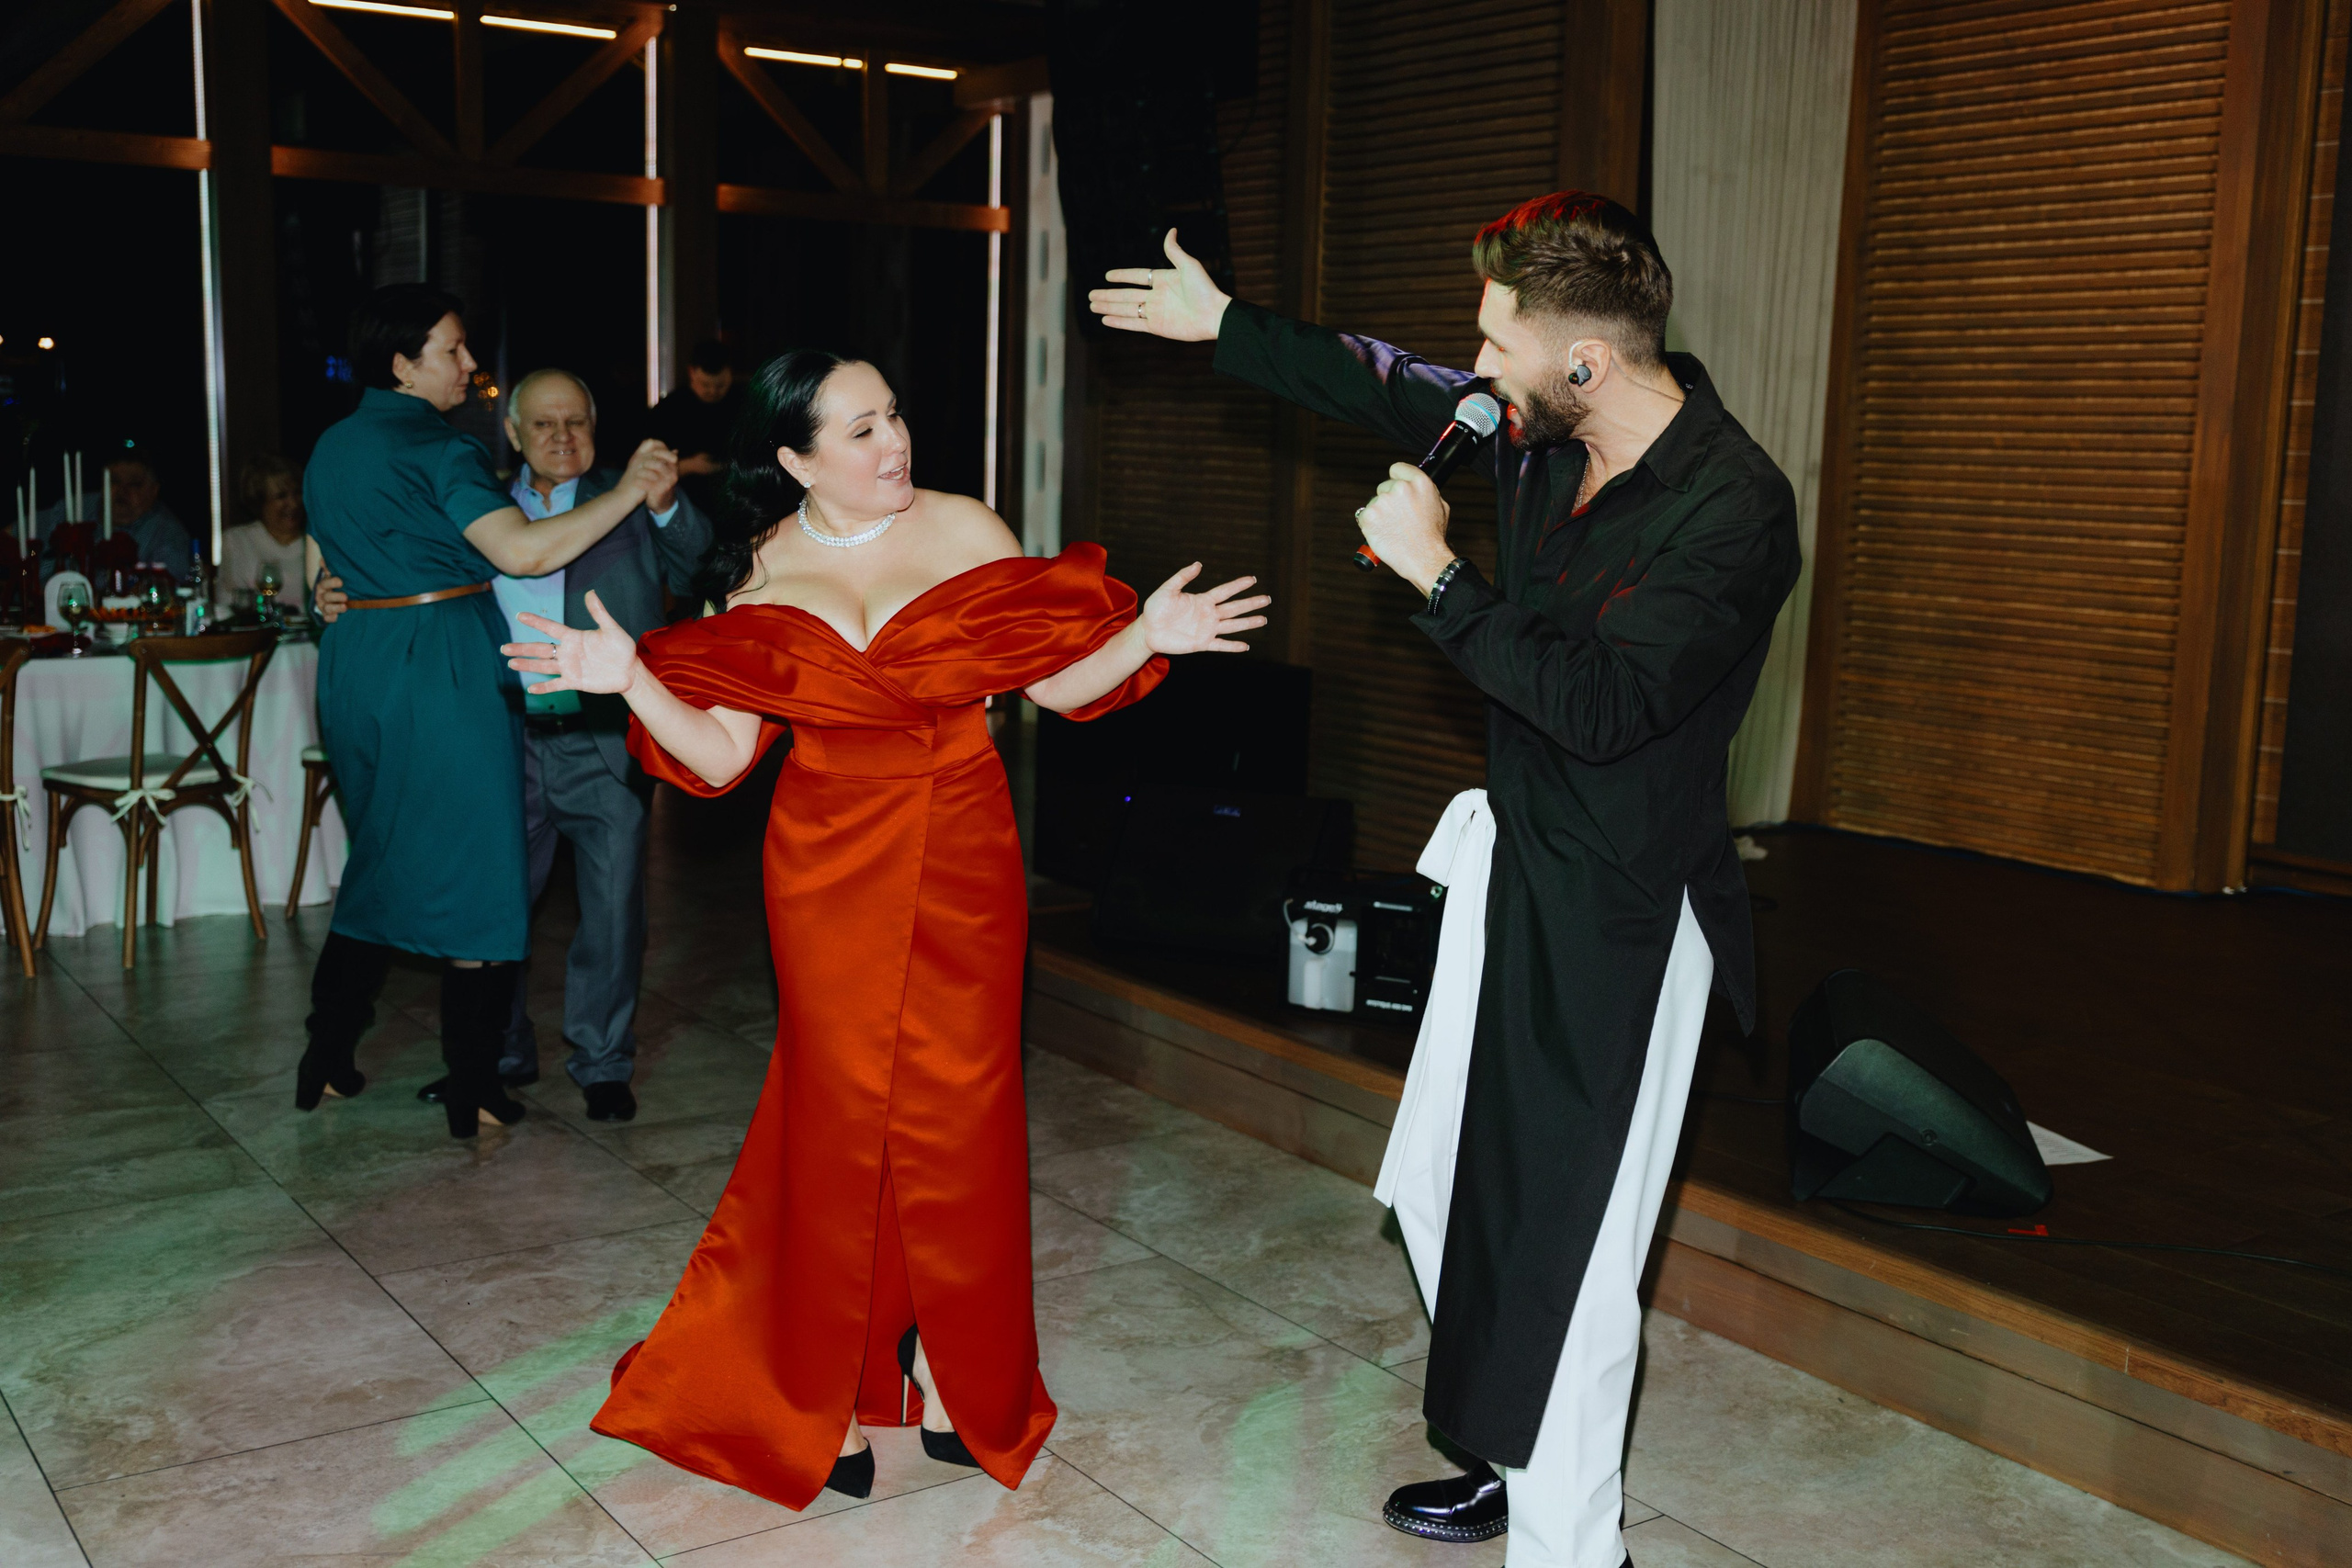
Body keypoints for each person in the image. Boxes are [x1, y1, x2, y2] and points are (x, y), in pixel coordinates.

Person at [1092, 198, 1801, 1568]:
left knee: (1573, 1251)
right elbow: (1391, 379)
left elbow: (1600, 703)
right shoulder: (1544, 425)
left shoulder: (1734, 506)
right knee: (1432, 1181)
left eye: (1497, 342)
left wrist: (1438, 577)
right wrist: (1227, 326)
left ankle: (1572, 1541)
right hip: (1514, 860)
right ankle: (1504, 1436)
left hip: (1625, 910)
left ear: (1583, 361)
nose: (1474, 365)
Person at [506, 349, 1268, 1509]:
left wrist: (1147, 636)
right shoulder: (759, 573)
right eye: (859, 431)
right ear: (794, 458)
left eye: (896, 415)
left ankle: (960, 1381)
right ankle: (840, 1385)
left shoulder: (968, 529)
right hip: (822, 866)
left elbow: (1058, 690)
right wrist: (630, 679)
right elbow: (717, 757)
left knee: (960, 1115)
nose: (894, 444)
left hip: (963, 849)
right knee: (839, 1118)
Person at [290, 283, 678, 1139]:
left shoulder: (327, 447)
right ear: (402, 362)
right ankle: (476, 1086)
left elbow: (318, 571)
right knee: (483, 869)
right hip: (443, 666)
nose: (471, 365)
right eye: (453, 349)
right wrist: (625, 494)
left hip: (358, 664)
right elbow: (523, 548)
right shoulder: (441, 446)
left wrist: (328, 594)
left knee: (380, 857)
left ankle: (325, 1059)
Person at [407, 367, 713, 1123]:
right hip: (504, 737)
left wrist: (669, 501)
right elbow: (416, 581)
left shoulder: (632, 495)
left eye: (574, 421)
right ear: (512, 434)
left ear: (595, 425)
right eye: (543, 424)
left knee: (612, 911)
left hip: (602, 735)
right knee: (496, 903)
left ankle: (603, 1063)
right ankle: (497, 1052)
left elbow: (698, 564)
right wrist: (336, 592)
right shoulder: (483, 511)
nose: (562, 437)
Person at [645, 337, 742, 516]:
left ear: (730, 374)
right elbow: (645, 468)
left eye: (720, 385)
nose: (713, 391)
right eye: (705, 385)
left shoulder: (743, 404)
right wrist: (689, 465)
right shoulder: (668, 410)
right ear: (692, 373)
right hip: (684, 503)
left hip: (735, 502)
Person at [219, 455, 311, 615]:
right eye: (282, 496)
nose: (294, 504)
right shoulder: (237, 541)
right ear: (259, 501)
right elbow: (229, 605)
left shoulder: (315, 542)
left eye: (297, 493)